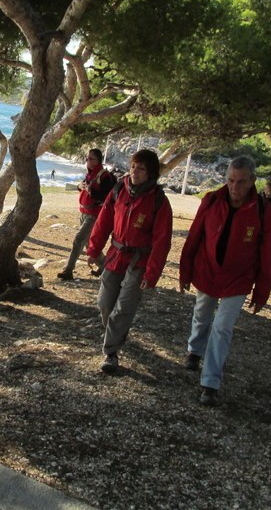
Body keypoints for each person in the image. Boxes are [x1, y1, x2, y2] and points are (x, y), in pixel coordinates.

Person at [179, 155, 271, 407]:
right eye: (231, 180)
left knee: (222, 327)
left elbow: (267, 253)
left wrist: (261, 291)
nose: (235, 187)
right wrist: (185, 270)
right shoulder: (211, 201)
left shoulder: (264, 211)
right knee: (202, 313)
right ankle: (195, 349)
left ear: (253, 181)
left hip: (239, 278)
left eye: (242, 182)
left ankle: (210, 382)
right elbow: (195, 236)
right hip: (208, 270)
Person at [86, 149, 173, 374]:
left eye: (141, 168)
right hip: (115, 255)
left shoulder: (159, 202)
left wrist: (152, 273)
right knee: (105, 304)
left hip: (139, 261)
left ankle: (111, 353)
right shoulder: (118, 190)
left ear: (150, 173)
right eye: (133, 166)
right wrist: (94, 249)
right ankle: (115, 337)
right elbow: (103, 221)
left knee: (124, 307)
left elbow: (162, 241)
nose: (135, 171)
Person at [57, 148, 115, 281]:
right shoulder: (90, 174)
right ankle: (105, 267)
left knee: (79, 240)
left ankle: (68, 270)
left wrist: (91, 192)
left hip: (94, 214)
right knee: (89, 244)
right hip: (84, 213)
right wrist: (80, 186)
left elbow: (106, 195)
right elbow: (85, 186)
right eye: (87, 158)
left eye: (91, 159)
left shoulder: (103, 175)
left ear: (98, 161)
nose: (87, 161)